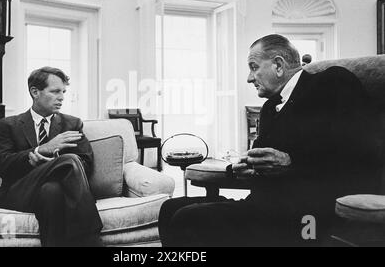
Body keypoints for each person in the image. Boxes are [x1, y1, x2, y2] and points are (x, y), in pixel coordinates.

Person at [158, 34, 381, 247]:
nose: (248, 78)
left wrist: (292, 162)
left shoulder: (332, 82)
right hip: (266, 206)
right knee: (170, 208)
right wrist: (245, 169)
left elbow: (363, 151)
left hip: (309, 214)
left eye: (254, 67)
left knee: (189, 218)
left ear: (278, 65)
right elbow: (262, 164)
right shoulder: (268, 108)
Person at [0, 67, 103, 247]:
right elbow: (1, 164)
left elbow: (86, 164)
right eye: (55, 91)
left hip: (54, 192)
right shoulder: (9, 125)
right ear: (35, 92)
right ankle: (92, 239)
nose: (62, 97)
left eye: (63, 92)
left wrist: (54, 164)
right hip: (21, 191)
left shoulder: (72, 123)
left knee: (52, 191)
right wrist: (40, 150)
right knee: (69, 160)